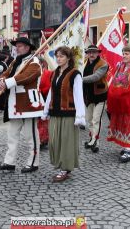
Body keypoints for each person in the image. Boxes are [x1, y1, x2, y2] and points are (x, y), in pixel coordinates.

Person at [0, 37, 44, 173]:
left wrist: (8, 82)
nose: (17, 48)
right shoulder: (16, 61)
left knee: (30, 135)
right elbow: (6, 73)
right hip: (14, 103)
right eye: (17, 46)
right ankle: (9, 162)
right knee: (12, 135)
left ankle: (33, 162)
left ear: (28, 47)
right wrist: (2, 79)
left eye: (20, 46)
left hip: (29, 104)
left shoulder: (34, 62)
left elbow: (27, 77)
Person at [42, 46, 85, 182]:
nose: (58, 59)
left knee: (66, 141)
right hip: (55, 112)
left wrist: (80, 116)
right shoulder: (55, 72)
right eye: (57, 56)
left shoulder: (75, 74)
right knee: (55, 141)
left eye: (61, 56)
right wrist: (46, 110)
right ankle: (60, 164)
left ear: (68, 58)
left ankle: (65, 169)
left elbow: (79, 95)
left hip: (68, 113)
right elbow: (51, 92)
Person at [82, 45, 108, 153]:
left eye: (94, 52)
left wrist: (79, 79)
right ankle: (92, 138)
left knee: (96, 119)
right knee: (89, 120)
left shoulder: (103, 64)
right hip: (88, 96)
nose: (91, 54)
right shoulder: (83, 63)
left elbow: (96, 77)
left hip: (99, 96)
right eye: (89, 52)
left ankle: (95, 142)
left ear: (98, 53)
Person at [37, 57, 52, 149]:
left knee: (44, 120)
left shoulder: (48, 73)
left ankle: (43, 139)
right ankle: (40, 138)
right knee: (38, 121)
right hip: (37, 98)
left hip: (45, 97)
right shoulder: (35, 72)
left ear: (42, 63)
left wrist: (42, 90)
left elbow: (50, 86)